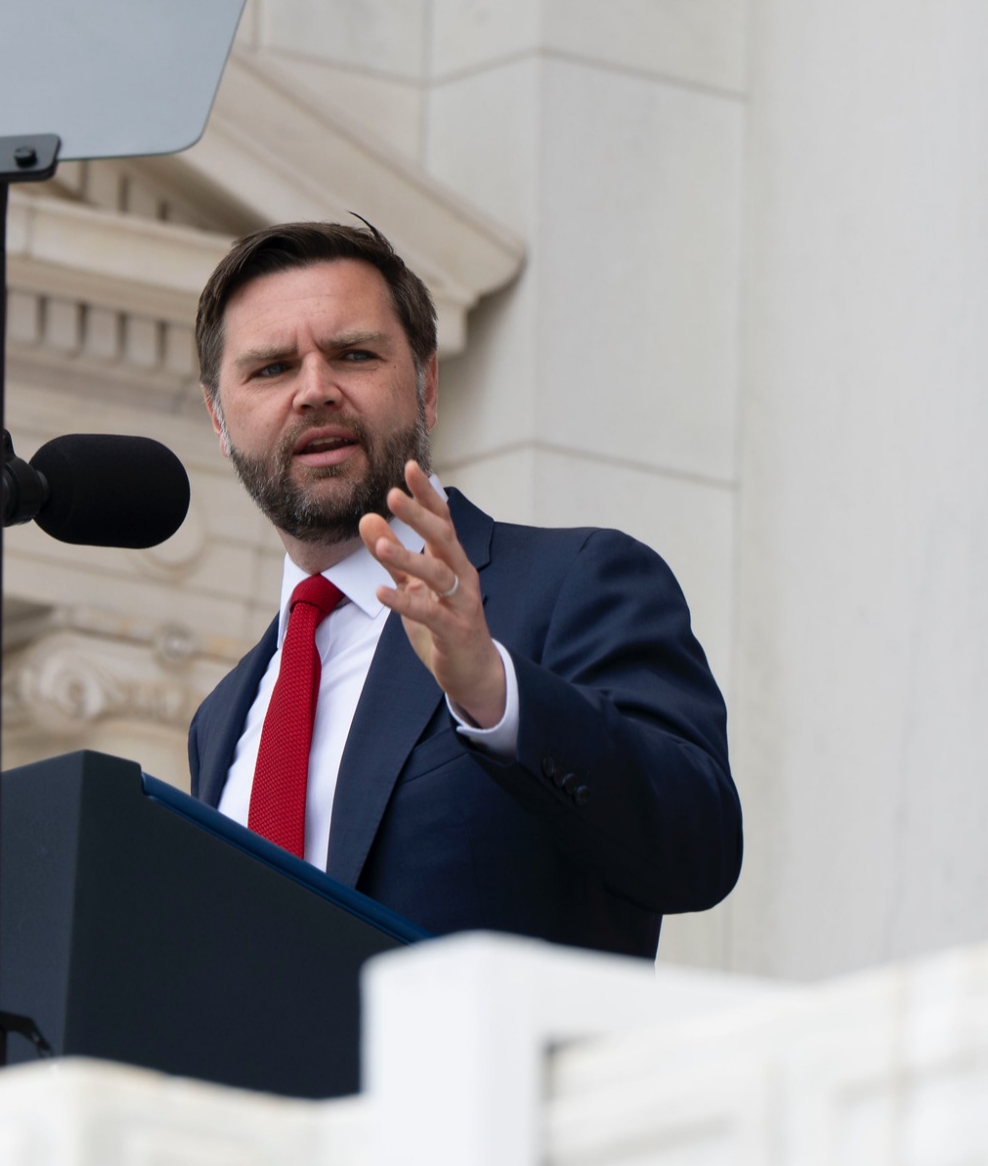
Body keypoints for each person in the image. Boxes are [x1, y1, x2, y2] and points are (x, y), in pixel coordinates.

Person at [186, 221, 740, 957]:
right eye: (271, 368)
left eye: (354, 354)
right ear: (219, 419)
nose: (314, 390)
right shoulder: (222, 718)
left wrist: (496, 692)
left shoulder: (576, 583)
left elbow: (696, 848)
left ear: (427, 384)